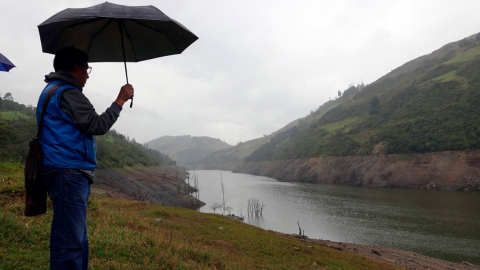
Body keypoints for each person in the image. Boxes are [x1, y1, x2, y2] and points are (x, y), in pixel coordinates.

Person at [37, 46, 134, 270]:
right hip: (69, 171)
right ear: (76, 68)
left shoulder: (51, 90)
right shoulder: (69, 93)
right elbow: (97, 125)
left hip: (62, 170)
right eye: (87, 69)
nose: (87, 75)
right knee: (69, 242)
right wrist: (120, 100)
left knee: (77, 236)